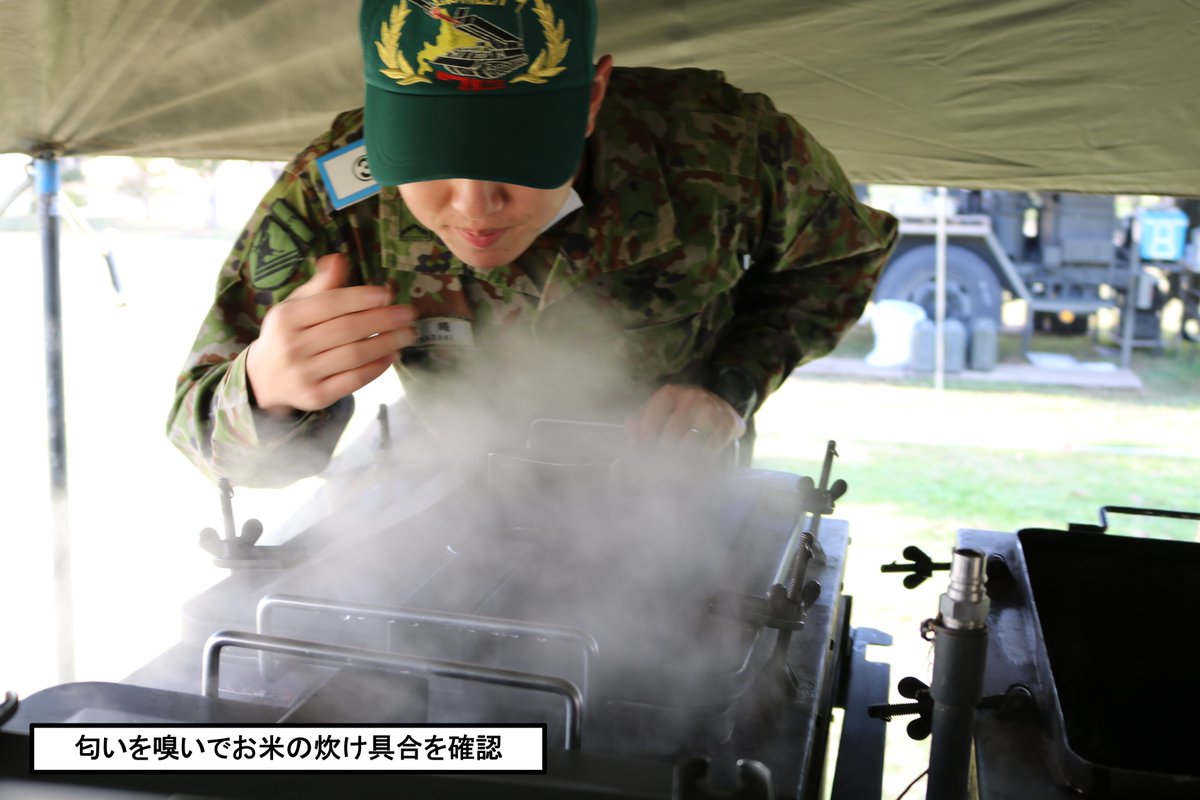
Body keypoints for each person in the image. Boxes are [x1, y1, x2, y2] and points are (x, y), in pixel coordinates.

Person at [167, 0, 898, 488]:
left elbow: (838, 261)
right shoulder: (338, 187)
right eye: (428, 157)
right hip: (447, 499)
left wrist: (732, 384)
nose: (473, 206)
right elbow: (206, 436)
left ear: (591, 99)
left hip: (671, 505)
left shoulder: (726, 146)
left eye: (517, 157)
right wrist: (266, 394)